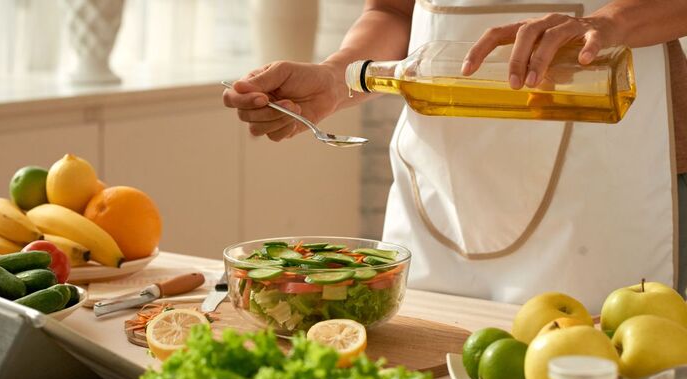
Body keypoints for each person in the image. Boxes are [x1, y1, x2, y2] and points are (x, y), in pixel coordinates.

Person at [223, 0, 687, 311]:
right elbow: (393, 9)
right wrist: (335, 77)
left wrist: (606, 23)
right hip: (441, 178)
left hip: (603, 169)